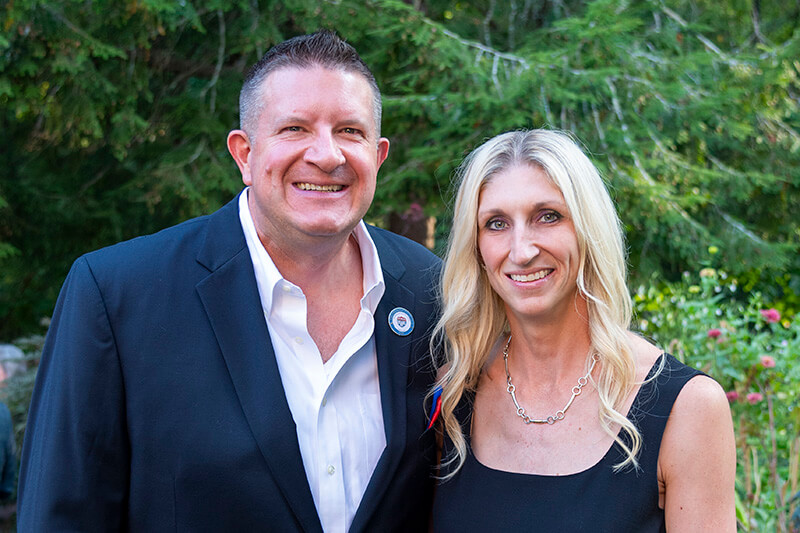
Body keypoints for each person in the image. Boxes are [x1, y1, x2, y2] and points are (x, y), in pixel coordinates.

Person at [18, 31, 441, 532]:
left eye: (350, 130)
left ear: (379, 155)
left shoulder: (431, 290)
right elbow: (61, 516)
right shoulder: (117, 295)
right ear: (243, 153)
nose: (327, 155)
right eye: (294, 128)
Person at [430, 130, 736, 531]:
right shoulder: (454, 394)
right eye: (496, 223)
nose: (521, 251)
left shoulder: (687, 408)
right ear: (476, 249)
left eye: (548, 216)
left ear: (589, 230)